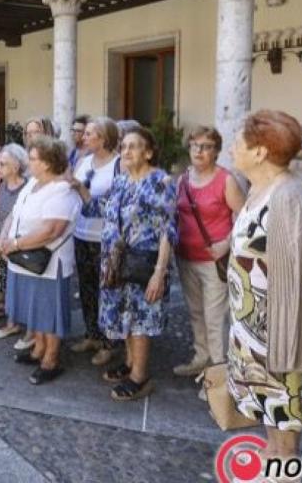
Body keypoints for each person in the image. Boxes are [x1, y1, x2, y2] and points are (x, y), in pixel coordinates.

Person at [227, 110, 302, 459]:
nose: (232, 148)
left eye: (238, 142)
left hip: (281, 329)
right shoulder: (261, 187)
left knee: (285, 411)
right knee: (269, 406)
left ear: (259, 152)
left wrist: (290, 316)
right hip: (254, 326)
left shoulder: (289, 194)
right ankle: (272, 459)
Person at [75, 127, 177, 400]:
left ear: (149, 152)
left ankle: (140, 377)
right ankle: (131, 363)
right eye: (124, 147)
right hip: (117, 263)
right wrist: (74, 185)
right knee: (124, 314)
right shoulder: (120, 181)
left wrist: (159, 272)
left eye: (134, 146)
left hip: (144, 263)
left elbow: (169, 229)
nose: (126, 152)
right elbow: (98, 207)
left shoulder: (161, 182)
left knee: (141, 318)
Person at [0, 136, 81, 385]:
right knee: (35, 308)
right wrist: (4, 235)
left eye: (33, 159)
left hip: (47, 262)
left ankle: (51, 358)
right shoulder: (33, 182)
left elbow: (51, 231)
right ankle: (38, 350)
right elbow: (15, 212)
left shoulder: (62, 191)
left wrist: (14, 244)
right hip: (23, 259)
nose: (28, 163)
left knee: (49, 311)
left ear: (46, 163)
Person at [173, 126, 244, 378]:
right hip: (186, 256)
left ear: (216, 151)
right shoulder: (183, 179)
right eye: (195, 146)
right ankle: (201, 357)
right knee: (195, 311)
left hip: (214, 261)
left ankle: (218, 373)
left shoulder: (226, 180)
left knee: (215, 318)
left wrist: (225, 244)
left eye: (206, 146)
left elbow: (244, 217)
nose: (199, 151)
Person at [69, 117, 121, 367]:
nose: (84, 137)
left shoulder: (118, 165)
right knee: (87, 288)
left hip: (106, 239)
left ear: (104, 138)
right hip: (82, 233)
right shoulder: (84, 161)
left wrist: (82, 190)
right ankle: (92, 334)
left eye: (89, 134)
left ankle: (109, 342)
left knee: (108, 291)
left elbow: (116, 205)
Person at [0, 143, 29, 342]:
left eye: (3, 164)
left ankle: (30, 329)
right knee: (5, 285)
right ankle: (11, 323)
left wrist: (6, 241)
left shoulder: (26, 187)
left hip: (15, 244)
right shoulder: (2, 185)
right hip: (0, 241)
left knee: (20, 286)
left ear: (15, 166)